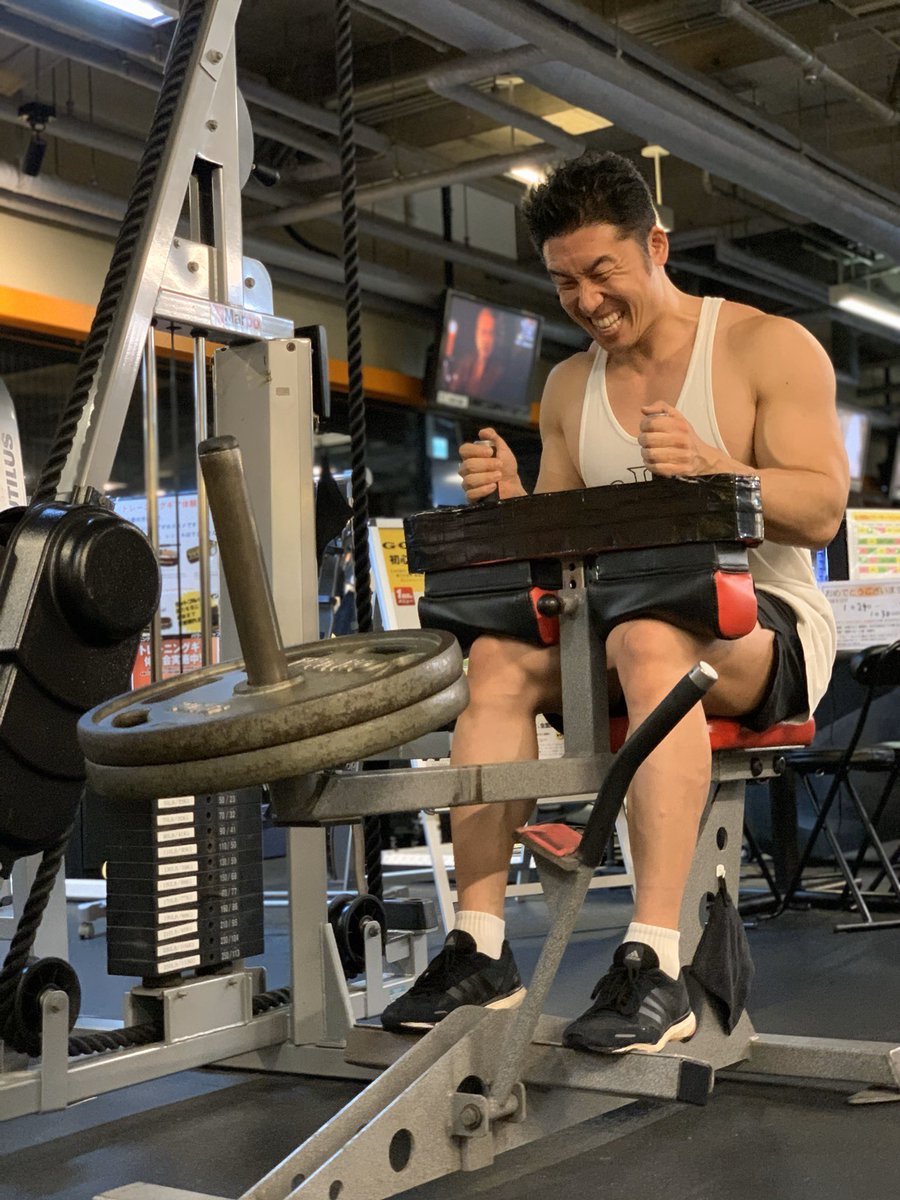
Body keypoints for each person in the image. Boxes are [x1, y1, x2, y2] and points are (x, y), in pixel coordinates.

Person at [382, 150, 848, 1053]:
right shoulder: (569, 387)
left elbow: (823, 510)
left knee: (647, 637)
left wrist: (717, 469)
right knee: (496, 659)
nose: (587, 301)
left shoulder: (764, 346)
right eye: (565, 283)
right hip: (615, 622)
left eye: (603, 273)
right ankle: (480, 947)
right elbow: (560, 557)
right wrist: (514, 505)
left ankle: (656, 962)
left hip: (765, 624)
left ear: (656, 246)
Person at [444, 306, 508, 400]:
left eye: (491, 333)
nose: (486, 340)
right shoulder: (464, 363)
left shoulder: (502, 373)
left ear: (498, 337)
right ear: (476, 333)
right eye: (483, 332)